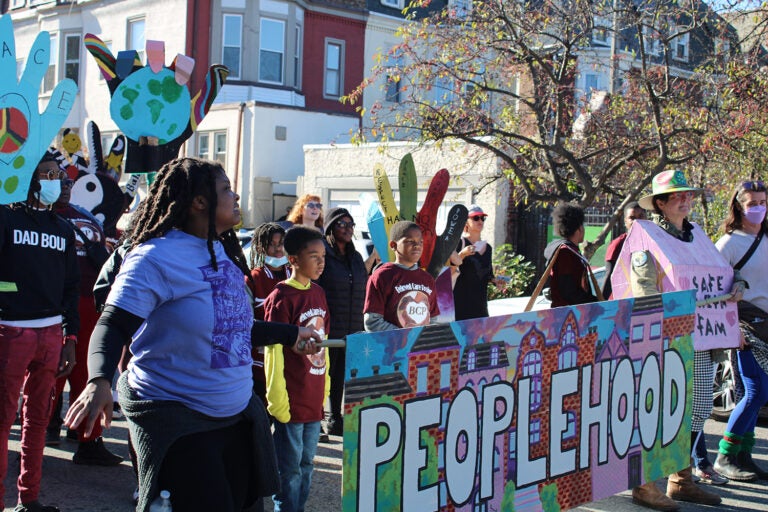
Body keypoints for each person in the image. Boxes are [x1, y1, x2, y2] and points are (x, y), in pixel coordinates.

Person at [63, 157, 321, 512]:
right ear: (200, 202)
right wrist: (98, 381)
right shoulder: (155, 258)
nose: (235, 196)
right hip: (181, 423)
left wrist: (289, 333)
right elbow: (111, 324)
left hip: (235, 419)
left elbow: (232, 327)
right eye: (226, 189)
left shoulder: (220, 250)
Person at [627, 170, 734, 510]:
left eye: (687, 195)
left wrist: (737, 288)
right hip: (665, 342)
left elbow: (719, 275)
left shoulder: (697, 236)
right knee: (660, 412)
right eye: (677, 196)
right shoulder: (647, 238)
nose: (685, 200)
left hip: (700, 338)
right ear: (660, 203)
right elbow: (643, 291)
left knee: (699, 408)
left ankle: (681, 479)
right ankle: (645, 485)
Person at [0, 154, 80, 512]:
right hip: (10, 331)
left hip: (50, 335)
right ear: (29, 178)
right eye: (48, 174)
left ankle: (28, 499)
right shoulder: (6, 217)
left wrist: (71, 339)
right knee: (3, 421)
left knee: (37, 422)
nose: (56, 180)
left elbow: (71, 289)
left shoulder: (63, 229)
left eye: (59, 175)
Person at [46, 154, 122, 466]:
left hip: (87, 303)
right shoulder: (29, 218)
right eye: (55, 180)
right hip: (51, 305)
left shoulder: (83, 215)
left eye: (67, 181)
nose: (64, 186)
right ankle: (45, 428)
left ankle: (87, 437)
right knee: (49, 373)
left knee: (83, 372)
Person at [263, 226, 330, 512]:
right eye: (313, 256)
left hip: (313, 397)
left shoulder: (319, 293)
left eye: (323, 256)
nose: (320, 262)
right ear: (293, 260)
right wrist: (277, 400)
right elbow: (273, 351)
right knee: (289, 470)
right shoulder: (281, 297)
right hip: (290, 399)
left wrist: (325, 389)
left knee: (307, 465)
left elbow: (323, 346)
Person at [713, 180, 768, 482]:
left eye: (763, 202)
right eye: (752, 203)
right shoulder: (729, 244)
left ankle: (744, 456)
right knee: (755, 391)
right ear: (738, 206)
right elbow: (715, 290)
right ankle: (724, 455)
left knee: (759, 394)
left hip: (767, 325)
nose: (758, 208)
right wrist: (733, 330)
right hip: (745, 326)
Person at [317, 207, 367, 437]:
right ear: (330, 227)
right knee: (323, 375)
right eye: (341, 224)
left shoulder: (355, 257)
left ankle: (336, 418)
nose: (347, 228)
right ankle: (320, 418)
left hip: (353, 327)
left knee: (342, 376)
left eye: (350, 224)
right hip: (329, 326)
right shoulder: (323, 255)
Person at [364, 221, 439, 331]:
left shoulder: (428, 279)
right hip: (390, 346)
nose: (417, 245)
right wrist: (405, 337)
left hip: (418, 347)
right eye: (410, 241)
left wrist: (421, 339)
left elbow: (432, 319)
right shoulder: (382, 276)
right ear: (393, 245)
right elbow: (372, 322)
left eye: (420, 242)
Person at [246, 222, 292, 405]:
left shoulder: (296, 273)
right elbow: (247, 322)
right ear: (260, 247)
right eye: (272, 244)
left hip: (292, 361)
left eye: (281, 243)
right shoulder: (253, 278)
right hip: (261, 364)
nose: (278, 249)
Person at [543, 203, 598, 307]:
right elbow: (568, 290)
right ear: (579, 228)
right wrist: (593, 302)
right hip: (568, 313)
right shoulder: (565, 252)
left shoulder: (569, 250)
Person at [452, 205, 497, 320]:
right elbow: (449, 271)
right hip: (460, 305)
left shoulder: (488, 248)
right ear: (466, 222)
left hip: (481, 306)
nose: (480, 221)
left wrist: (496, 281)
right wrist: (462, 254)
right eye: (475, 218)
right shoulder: (459, 243)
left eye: (482, 218)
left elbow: (488, 274)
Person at [602, 201, 646, 299]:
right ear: (625, 221)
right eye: (632, 218)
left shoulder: (653, 243)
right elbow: (610, 277)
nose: (637, 221)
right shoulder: (617, 244)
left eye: (641, 216)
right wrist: (601, 305)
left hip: (646, 300)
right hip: (622, 302)